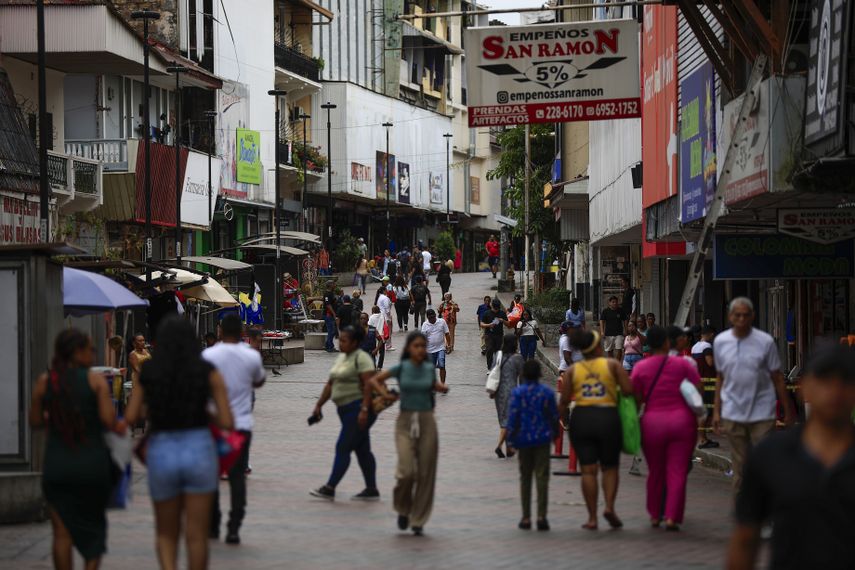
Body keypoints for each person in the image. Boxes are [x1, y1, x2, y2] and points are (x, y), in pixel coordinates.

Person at [727, 345, 855, 570]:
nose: (835, 390)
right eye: (824, 379)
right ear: (803, 388)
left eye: (845, 381)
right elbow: (746, 539)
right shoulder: (771, 454)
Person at [124, 318, 233, 568]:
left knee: (166, 533)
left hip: (162, 449)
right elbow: (227, 421)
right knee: (196, 535)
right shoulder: (207, 370)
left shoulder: (150, 371)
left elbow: (132, 416)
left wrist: (153, 408)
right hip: (199, 448)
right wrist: (207, 413)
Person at [30, 329, 118, 570]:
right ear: (76, 352)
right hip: (91, 466)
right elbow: (109, 421)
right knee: (94, 531)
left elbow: (35, 421)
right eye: (89, 349)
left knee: (61, 535)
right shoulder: (95, 381)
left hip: (57, 466)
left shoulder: (45, 382)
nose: (93, 353)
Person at [366, 332, 449, 536]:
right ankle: (403, 508)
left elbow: (433, 385)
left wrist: (442, 387)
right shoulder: (402, 367)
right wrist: (386, 394)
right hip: (404, 422)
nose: (421, 349)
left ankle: (418, 518)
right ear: (409, 348)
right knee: (406, 472)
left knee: (426, 473)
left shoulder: (429, 368)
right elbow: (375, 380)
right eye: (417, 346)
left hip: (427, 421)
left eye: (424, 346)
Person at [713, 297, 795, 492]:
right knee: (740, 467)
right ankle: (744, 514)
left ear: (753, 317)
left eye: (745, 315)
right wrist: (716, 411)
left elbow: (777, 377)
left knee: (764, 461)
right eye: (737, 315)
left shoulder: (765, 342)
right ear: (730, 317)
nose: (741, 319)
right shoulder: (721, 342)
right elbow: (720, 378)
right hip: (733, 412)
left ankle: (766, 507)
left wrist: (788, 409)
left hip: (762, 412)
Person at [558, 330, 633, 531]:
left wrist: (560, 421)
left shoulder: (573, 370)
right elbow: (628, 391)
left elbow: (564, 401)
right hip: (607, 417)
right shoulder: (612, 365)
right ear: (599, 347)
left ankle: (592, 517)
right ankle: (609, 507)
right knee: (610, 467)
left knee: (588, 471)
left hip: (582, 418)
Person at [200, 314, 265, 545]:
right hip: (241, 426)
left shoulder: (207, 355)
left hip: (214, 425)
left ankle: (213, 523)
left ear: (220, 331)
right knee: (237, 477)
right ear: (242, 333)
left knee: (212, 476)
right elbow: (259, 381)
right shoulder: (251, 356)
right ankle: (234, 527)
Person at [630, 325, 702, 531]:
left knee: (656, 471)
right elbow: (698, 388)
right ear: (666, 343)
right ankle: (671, 516)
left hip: (652, 423)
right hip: (682, 422)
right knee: (677, 470)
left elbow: (636, 399)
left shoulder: (640, 368)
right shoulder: (682, 365)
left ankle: (655, 515)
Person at [310, 326, 380, 501]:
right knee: (363, 450)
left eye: (343, 340)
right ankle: (371, 489)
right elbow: (330, 384)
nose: (340, 343)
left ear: (355, 342)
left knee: (343, 447)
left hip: (358, 409)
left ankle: (330, 487)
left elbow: (368, 385)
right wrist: (319, 405)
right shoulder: (342, 358)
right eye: (339, 339)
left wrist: (364, 410)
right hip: (346, 410)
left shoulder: (362, 359)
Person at [507, 360, 559, 531]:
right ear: (540, 374)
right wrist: (555, 434)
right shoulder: (547, 393)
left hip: (523, 440)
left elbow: (513, 417)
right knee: (542, 477)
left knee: (525, 477)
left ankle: (526, 517)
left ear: (523, 374)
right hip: (542, 439)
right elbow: (553, 415)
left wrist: (511, 439)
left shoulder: (518, 393)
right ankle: (542, 516)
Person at [492, 334, 524, 459]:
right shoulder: (518, 358)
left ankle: (509, 447)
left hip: (498, 391)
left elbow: (493, 371)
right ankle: (500, 446)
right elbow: (522, 377)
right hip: (512, 391)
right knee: (509, 420)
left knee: (503, 418)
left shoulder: (497, 355)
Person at [692, 325, 719, 449]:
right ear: (708, 334)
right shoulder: (707, 347)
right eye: (712, 335)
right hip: (708, 382)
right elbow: (710, 362)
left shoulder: (694, 347)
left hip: (698, 381)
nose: (712, 337)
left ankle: (702, 437)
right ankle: (703, 439)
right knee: (707, 410)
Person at [421, 309, 451, 385]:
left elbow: (447, 334)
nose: (432, 319)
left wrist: (449, 345)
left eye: (433, 317)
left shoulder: (442, 322)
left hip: (441, 348)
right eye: (430, 318)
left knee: (442, 365)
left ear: (435, 315)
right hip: (429, 350)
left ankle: (442, 383)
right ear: (427, 317)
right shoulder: (425, 325)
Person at [480, 298, 508, 369]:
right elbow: (482, 324)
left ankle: (497, 366)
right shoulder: (487, 313)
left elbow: (508, 324)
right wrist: (489, 325)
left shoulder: (502, 313)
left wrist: (503, 320)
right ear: (492, 306)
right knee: (489, 350)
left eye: (497, 308)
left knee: (498, 351)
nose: (496, 310)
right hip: (489, 335)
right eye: (495, 308)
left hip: (499, 335)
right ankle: (489, 367)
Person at [599, 296, 627, 361]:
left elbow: (625, 320)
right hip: (608, 334)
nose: (615, 303)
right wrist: (602, 331)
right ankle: (612, 364)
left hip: (619, 333)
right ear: (609, 303)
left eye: (616, 302)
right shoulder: (605, 311)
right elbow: (602, 321)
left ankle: (617, 364)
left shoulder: (621, 310)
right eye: (613, 302)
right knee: (609, 350)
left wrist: (626, 330)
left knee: (619, 349)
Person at [322, 281, 339, 353]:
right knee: (331, 331)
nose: (335, 285)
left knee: (332, 331)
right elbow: (328, 305)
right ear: (330, 285)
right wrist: (334, 313)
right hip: (328, 315)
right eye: (333, 284)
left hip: (332, 315)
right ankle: (330, 347)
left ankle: (327, 345)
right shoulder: (327, 294)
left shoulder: (332, 293)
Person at [377, 286, 394, 351]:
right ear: (384, 291)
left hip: (381, 316)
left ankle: (385, 344)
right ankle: (388, 345)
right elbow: (387, 309)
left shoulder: (379, 298)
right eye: (386, 290)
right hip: (386, 317)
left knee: (384, 331)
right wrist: (389, 317)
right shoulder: (385, 298)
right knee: (389, 331)